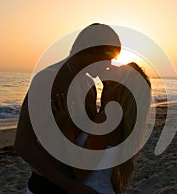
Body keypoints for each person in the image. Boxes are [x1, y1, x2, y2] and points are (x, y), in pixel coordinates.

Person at [14, 23, 121, 194]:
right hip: (47, 188)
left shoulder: (90, 85)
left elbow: (90, 139)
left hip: (80, 184)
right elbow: (22, 144)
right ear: (88, 49)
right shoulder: (48, 80)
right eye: (108, 57)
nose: (109, 65)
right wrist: (70, 187)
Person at [53, 62, 151, 194]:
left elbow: (81, 171)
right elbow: (113, 175)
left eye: (119, 70)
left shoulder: (108, 117)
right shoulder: (115, 117)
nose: (111, 68)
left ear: (119, 85)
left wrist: (66, 129)